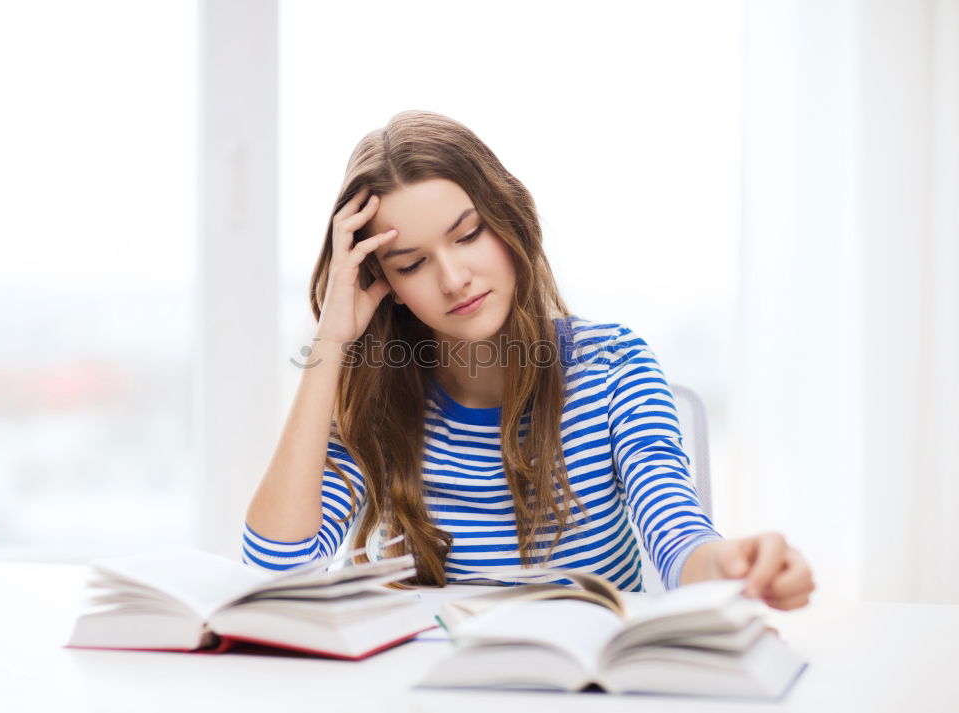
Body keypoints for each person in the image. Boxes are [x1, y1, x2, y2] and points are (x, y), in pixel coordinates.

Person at [243, 110, 815, 611]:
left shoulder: (612, 365)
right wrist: (332, 343)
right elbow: (276, 573)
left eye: (468, 235)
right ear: (382, 281)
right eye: (412, 264)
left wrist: (736, 567)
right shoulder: (382, 398)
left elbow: (676, 533)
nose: (453, 278)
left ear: (508, 215)